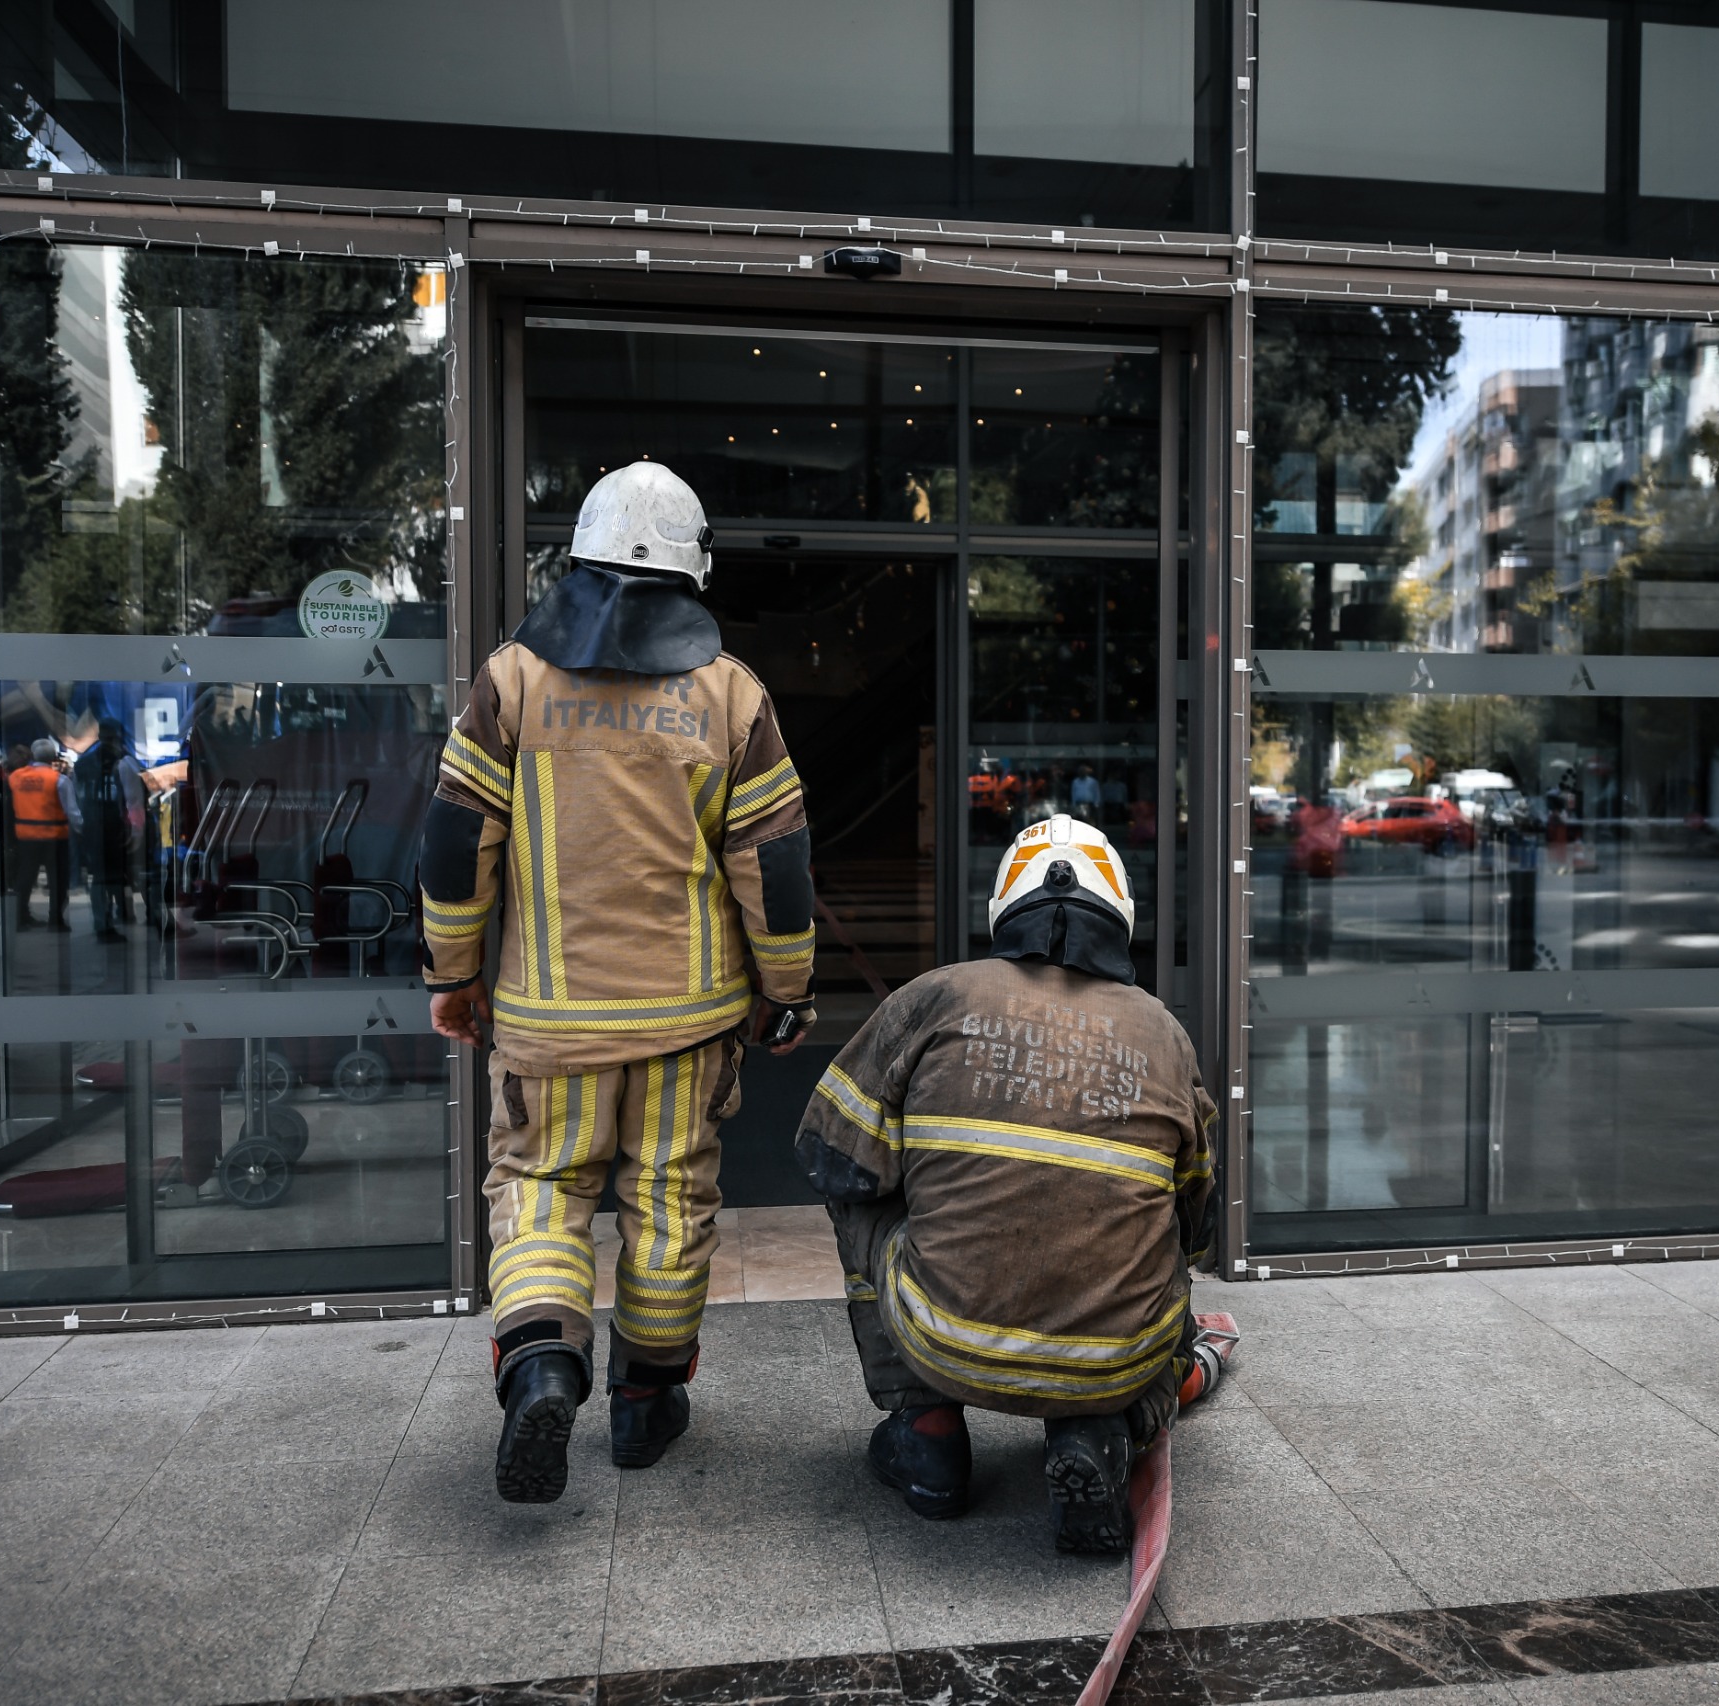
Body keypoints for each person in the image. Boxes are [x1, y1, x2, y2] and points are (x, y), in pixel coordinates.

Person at [420, 460, 818, 1505]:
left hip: (548, 1026)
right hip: (690, 1027)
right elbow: (775, 866)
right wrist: (786, 990)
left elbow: (456, 841)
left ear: (579, 558)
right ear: (695, 568)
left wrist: (452, 973)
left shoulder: (512, 680)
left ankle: (543, 1367)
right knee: (669, 1201)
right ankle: (645, 1402)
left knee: (542, 1191)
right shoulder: (731, 693)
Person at [795, 813, 1221, 1554]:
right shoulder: (1164, 1032)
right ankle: (1106, 1430)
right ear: (1119, 913)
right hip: (1115, 1361)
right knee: (1167, 1264)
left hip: (941, 1338)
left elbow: (829, 1154)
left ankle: (926, 1431)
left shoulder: (935, 995)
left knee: (858, 1194)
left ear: (1004, 905)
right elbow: (1199, 1224)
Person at [69, 720, 146, 942]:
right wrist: (137, 831)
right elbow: (133, 800)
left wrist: (81, 826)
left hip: (91, 825)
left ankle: (103, 921)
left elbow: (76, 798)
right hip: (114, 826)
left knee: (99, 877)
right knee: (114, 875)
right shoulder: (123, 761)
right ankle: (112, 919)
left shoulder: (83, 763)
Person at [8, 737, 73, 931]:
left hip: (26, 836)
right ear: (53, 757)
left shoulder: (16, 777)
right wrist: (79, 830)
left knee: (25, 878)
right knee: (57, 879)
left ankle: (20, 917)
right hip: (55, 837)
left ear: (33, 756)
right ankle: (55, 919)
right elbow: (72, 811)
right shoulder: (59, 780)